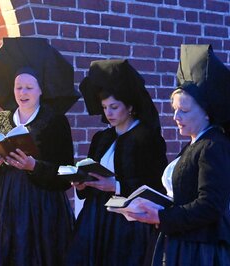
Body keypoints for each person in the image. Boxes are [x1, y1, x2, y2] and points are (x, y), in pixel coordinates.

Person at [128, 45, 230, 265]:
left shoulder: (215, 146)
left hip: (201, 251)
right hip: (183, 242)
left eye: (184, 110)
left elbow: (210, 205)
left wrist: (162, 217)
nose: (175, 116)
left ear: (207, 113)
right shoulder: (196, 143)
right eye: (174, 109)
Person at [0, 68, 75, 266]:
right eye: (19, 87)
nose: (23, 93)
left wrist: (34, 166)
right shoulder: (0, 120)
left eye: (29, 87)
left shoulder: (55, 121)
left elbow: (66, 174)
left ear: (41, 90)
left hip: (40, 207)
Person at [65, 59, 168, 266]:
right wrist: (83, 183)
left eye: (114, 107)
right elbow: (90, 181)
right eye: (104, 108)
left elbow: (156, 186)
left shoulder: (147, 138)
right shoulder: (101, 139)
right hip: (95, 218)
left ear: (129, 107)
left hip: (128, 223)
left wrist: (116, 186)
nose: (108, 113)